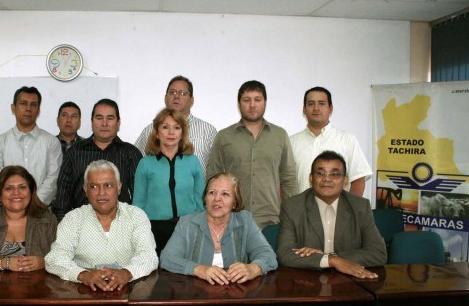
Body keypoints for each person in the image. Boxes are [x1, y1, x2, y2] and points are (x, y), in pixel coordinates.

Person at [160, 172, 276, 306]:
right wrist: (199, 269)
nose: (217, 199)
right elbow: (167, 258)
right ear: (204, 197)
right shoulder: (187, 223)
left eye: (225, 194)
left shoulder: (245, 221)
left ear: (235, 201)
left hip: (237, 303)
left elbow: (268, 255)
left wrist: (252, 268)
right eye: (212, 193)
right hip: (196, 304)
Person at [46, 160, 157, 290]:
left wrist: (126, 273)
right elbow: (54, 259)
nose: (101, 193)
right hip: (83, 293)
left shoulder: (136, 216)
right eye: (94, 186)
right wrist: (83, 275)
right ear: (85, 190)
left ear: (119, 187)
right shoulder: (73, 218)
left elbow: (149, 257)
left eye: (108, 185)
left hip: (128, 290)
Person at [276, 150, 387, 278]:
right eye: (320, 173)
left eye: (334, 174)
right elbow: (284, 254)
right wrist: (330, 261)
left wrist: (331, 257)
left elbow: (378, 253)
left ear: (345, 181)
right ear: (311, 178)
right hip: (308, 281)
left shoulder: (360, 207)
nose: (327, 179)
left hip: (348, 281)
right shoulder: (292, 206)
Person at [207, 80, 298, 230]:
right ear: (239, 103)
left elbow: (289, 179)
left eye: (257, 99)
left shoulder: (279, 135)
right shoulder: (224, 137)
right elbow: (212, 178)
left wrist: (293, 217)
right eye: (246, 100)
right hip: (233, 220)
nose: (252, 105)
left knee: (270, 255)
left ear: (265, 102)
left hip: (271, 220)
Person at [52, 99, 142, 221]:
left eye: (110, 118)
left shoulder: (131, 153)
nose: (104, 123)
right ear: (92, 122)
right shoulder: (75, 152)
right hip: (81, 226)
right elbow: (62, 197)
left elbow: (140, 198)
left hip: (121, 226)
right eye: (99, 118)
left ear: (118, 123)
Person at [133, 108, 205, 254]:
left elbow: (200, 201)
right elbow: (138, 205)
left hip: (188, 228)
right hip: (154, 230)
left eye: (176, 127)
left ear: (182, 133)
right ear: (157, 133)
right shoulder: (145, 164)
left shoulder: (193, 162)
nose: (171, 132)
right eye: (165, 127)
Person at [290, 86, 372, 196]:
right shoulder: (291, 142)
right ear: (304, 109)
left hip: (337, 211)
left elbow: (358, 179)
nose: (316, 108)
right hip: (299, 211)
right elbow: (283, 182)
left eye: (322, 103)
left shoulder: (347, 139)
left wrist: (350, 210)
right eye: (311, 103)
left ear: (331, 108)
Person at [0, 86, 62, 205]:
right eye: (23, 103)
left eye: (33, 105)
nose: (28, 109)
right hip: (7, 211)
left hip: (41, 210)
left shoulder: (51, 142)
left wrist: (35, 204)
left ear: (38, 110)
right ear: (13, 108)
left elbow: (53, 179)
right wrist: (15, 203)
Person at [134, 75, 217, 174]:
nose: (176, 96)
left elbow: (215, 169)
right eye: (172, 92)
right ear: (165, 98)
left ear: (192, 100)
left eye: (183, 93)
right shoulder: (150, 130)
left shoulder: (208, 130)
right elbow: (137, 165)